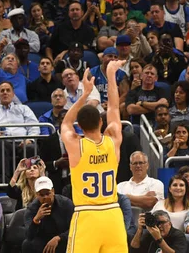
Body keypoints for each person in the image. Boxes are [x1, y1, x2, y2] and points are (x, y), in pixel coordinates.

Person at [60, 63, 127, 252]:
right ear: (100, 121)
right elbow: (114, 108)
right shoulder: (113, 141)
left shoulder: (76, 145)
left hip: (87, 215)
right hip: (113, 215)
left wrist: (84, 95)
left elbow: (65, 124)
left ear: (79, 125)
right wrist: (111, 74)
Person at [22, 176, 75, 253]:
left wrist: (59, 238)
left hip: (62, 240)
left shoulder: (66, 203)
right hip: (43, 241)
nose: (46, 197)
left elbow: (75, 228)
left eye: (48, 193)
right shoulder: (32, 209)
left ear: (53, 191)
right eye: (42, 195)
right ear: (36, 195)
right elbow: (29, 236)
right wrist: (36, 220)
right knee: (27, 244)